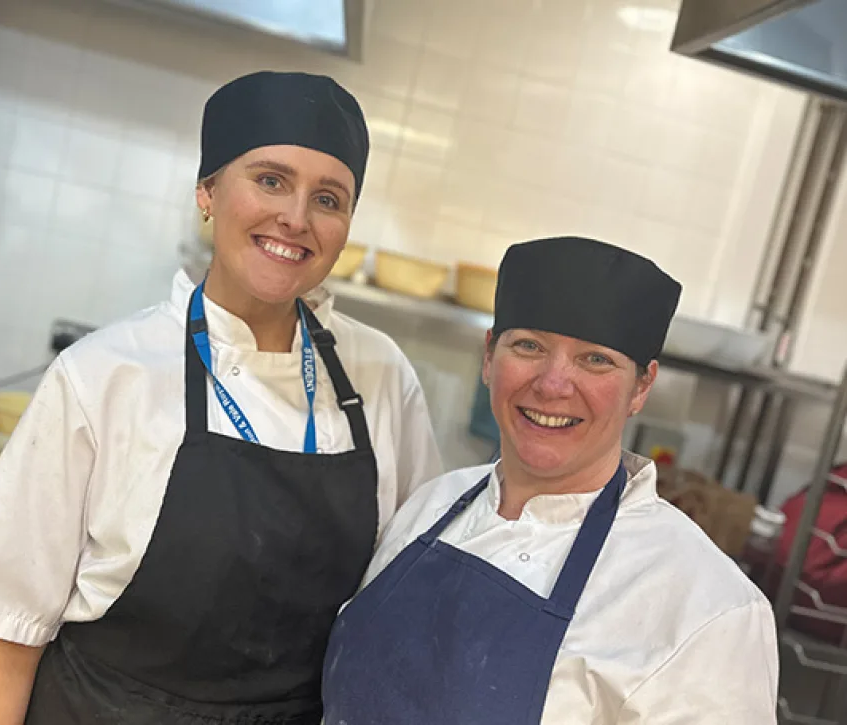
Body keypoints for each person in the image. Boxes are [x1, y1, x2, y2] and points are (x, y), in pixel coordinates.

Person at [0, 71, 442, 725]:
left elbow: (410, 608)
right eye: (270, 180)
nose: (295, 218)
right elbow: (1, 643)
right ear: (208, 191)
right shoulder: (103, 377)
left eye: (328, 197)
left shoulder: (382, 376)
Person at [322, 236, 779, 724]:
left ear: (641, 387)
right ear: (488, 356)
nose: (553, 384)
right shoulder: (431, 504)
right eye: (529, 346)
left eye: (595, 360)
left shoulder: (706, 607)